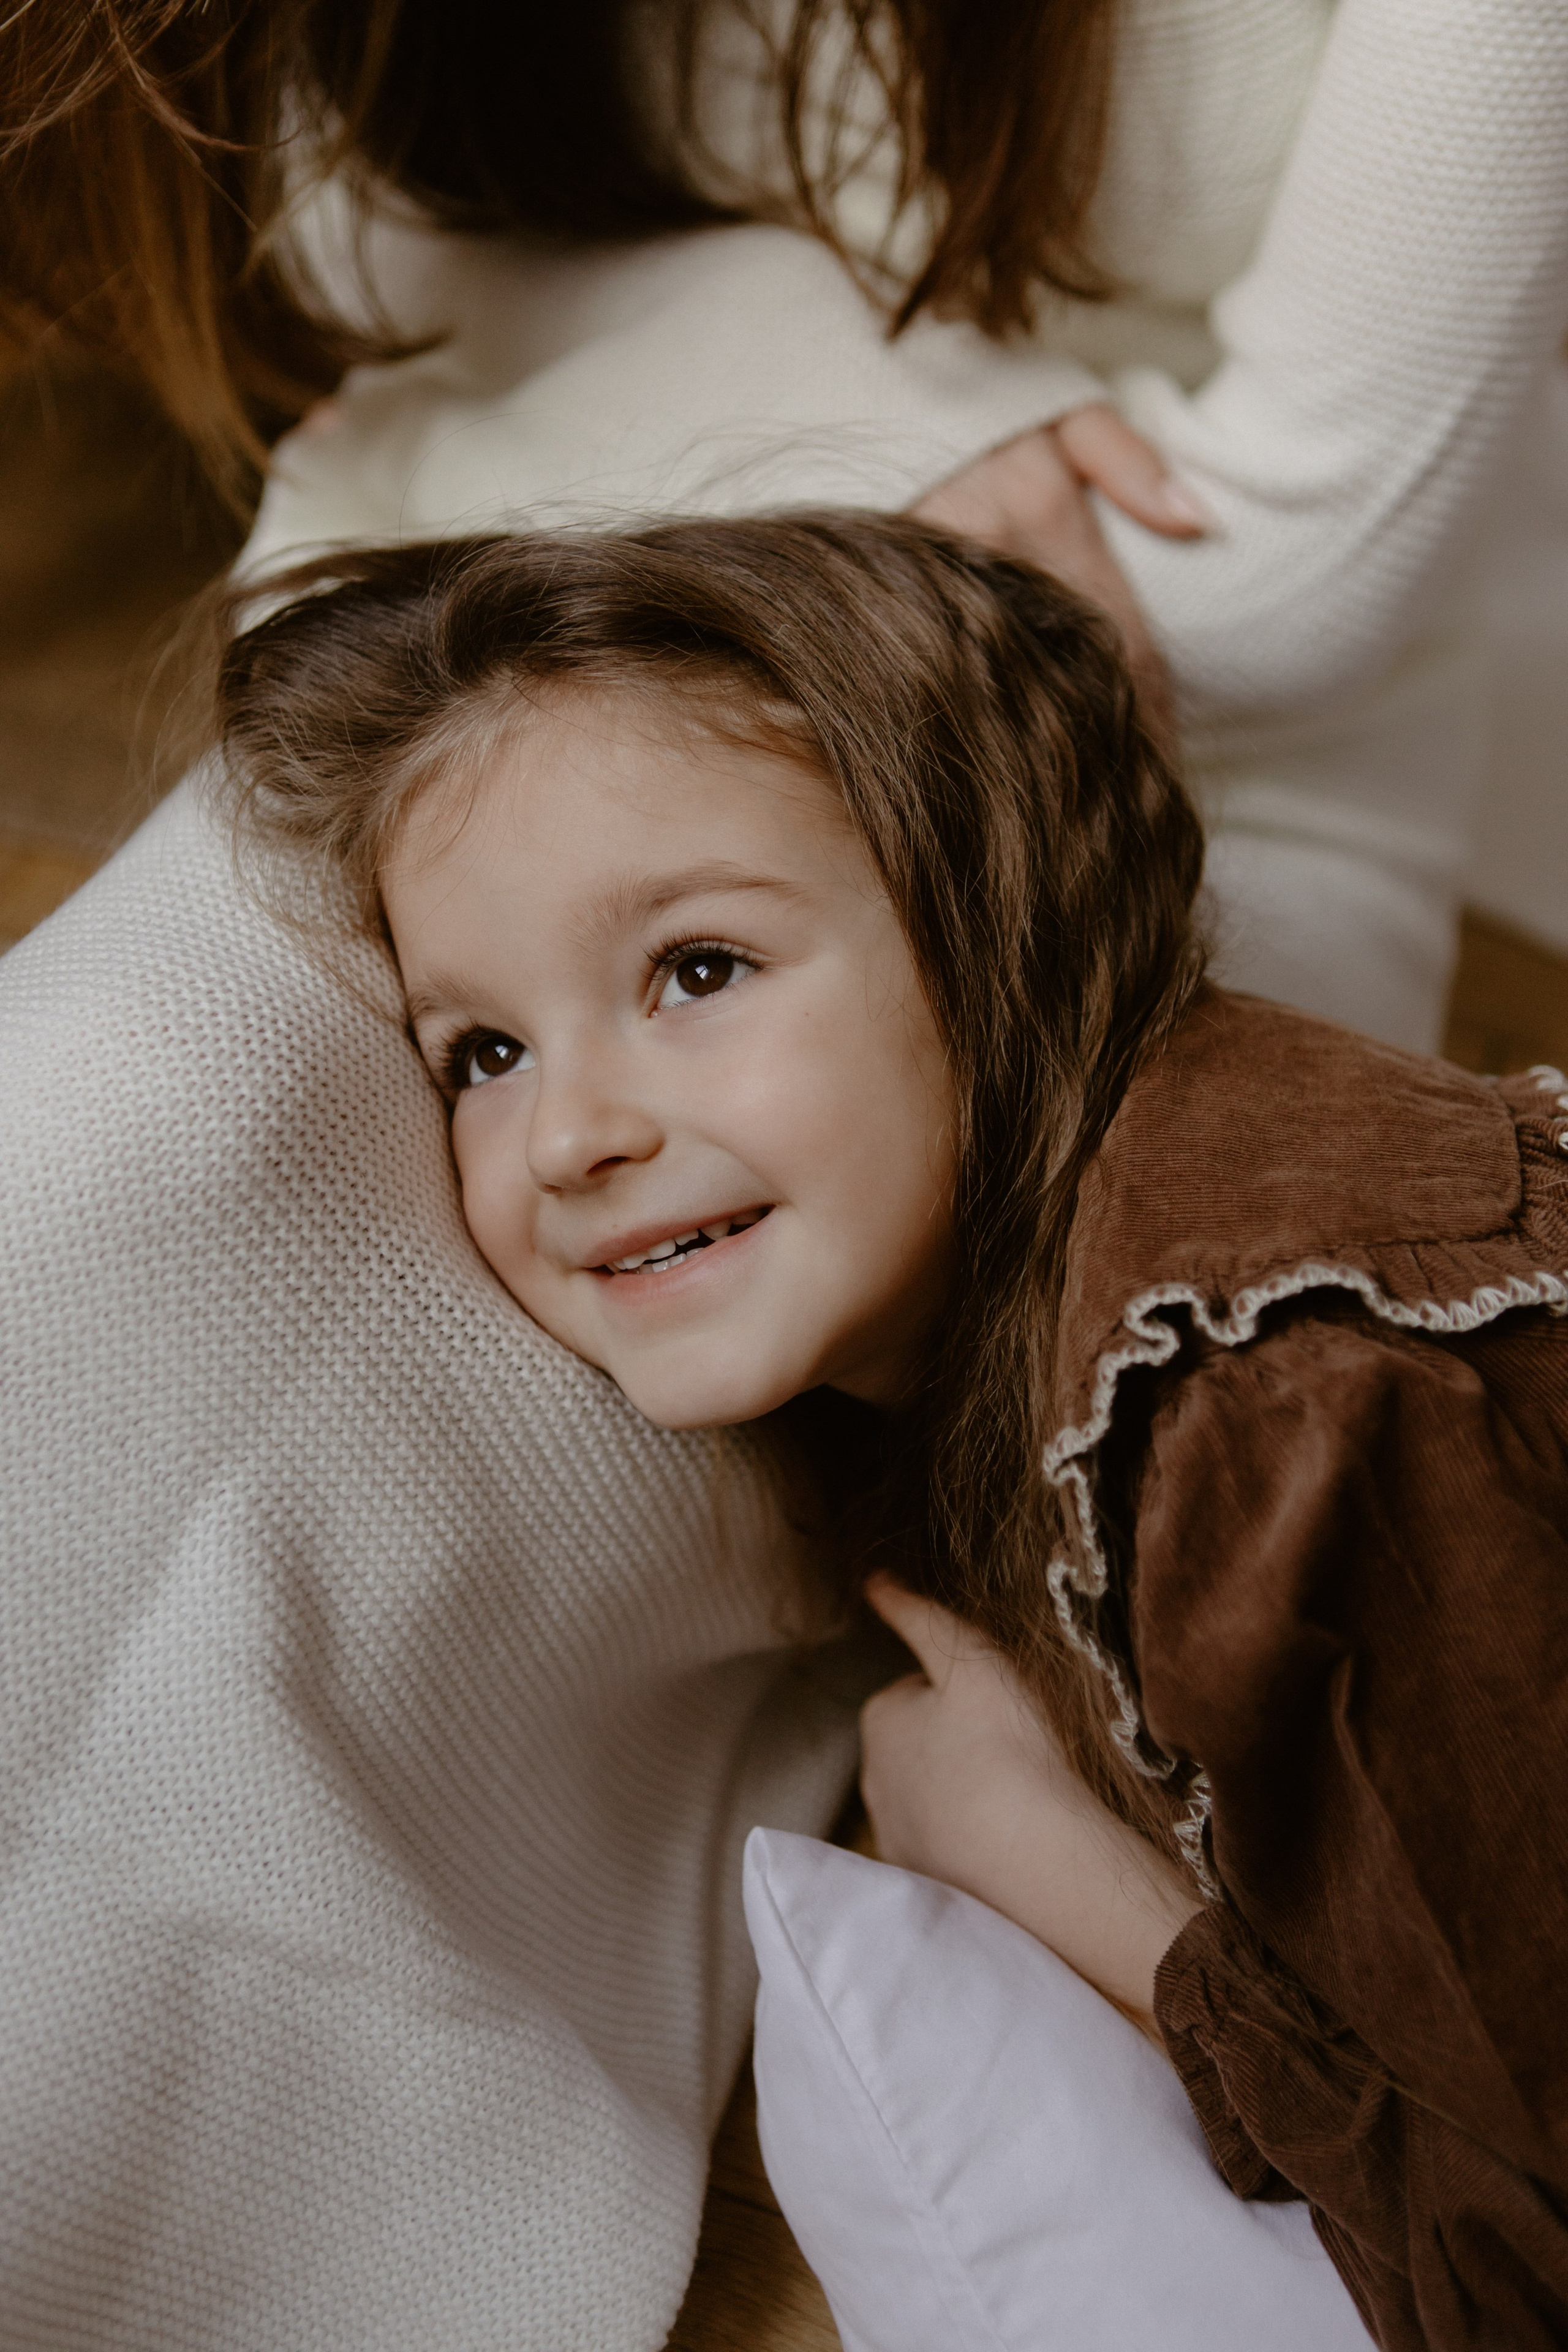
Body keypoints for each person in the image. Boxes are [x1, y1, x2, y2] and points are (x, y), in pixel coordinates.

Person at [213, 510, 1568, 2352]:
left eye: (697, 970)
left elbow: (1519, 2270)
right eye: (483, 1052)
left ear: (994, 919)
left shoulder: (1278, 1409)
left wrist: (1087, 1896)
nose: (567, 1136)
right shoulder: (1007, 1369)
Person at [9, 4, 1568, 1049]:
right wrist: (903, 422)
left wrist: (587, 373)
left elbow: (1283, 585)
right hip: (463, 605)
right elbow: (363, 262)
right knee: (137, 1170)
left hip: (1188, 786)